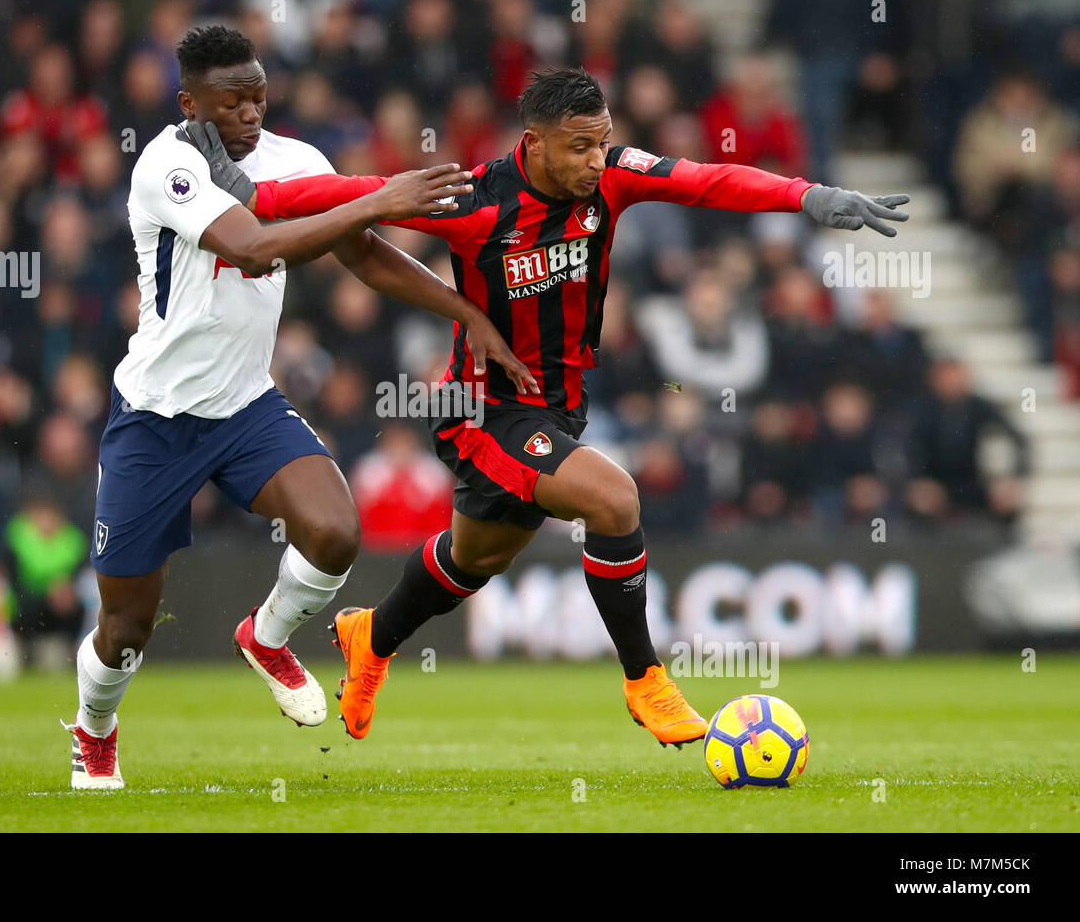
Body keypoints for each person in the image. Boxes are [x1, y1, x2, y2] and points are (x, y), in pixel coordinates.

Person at [208, 66, 909, 746]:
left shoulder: (615, 175)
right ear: (534, 142)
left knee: (472, 559)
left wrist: (806, 195)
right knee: (615, 500)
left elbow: (709, 180)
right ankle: (646, 680)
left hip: (558, 406)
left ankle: (372, 636)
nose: (595, 159)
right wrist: (239, 191)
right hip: (482, 408)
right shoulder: (474, 197)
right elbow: (348, 194)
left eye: (601, 141)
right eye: (580, 146)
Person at [67, 26, 533, 790]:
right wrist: (378, 195)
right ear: (190, 102)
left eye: (258, 96)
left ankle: (268, 634)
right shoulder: (167, 162)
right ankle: (95, 730)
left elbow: (364, 252)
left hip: (245, 401)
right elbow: (252, 246)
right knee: (126, 628)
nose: (250, 112)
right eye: (231, 102)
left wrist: (464, 311)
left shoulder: (298, 161)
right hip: (154, 414)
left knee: (334, 532)